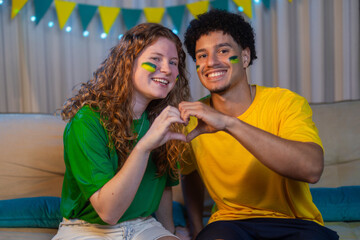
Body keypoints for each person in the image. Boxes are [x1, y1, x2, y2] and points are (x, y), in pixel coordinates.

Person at [178, 9, 339, 240]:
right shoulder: (193, 117)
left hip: (295, 224)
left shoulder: (285, 103)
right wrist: (195, 228)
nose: (211, 62)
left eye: (223, 51)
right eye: (201, 55)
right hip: (229, 224)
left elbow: (312, 169)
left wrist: (228, 124)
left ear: (244, 57)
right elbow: (189, 173)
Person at [52, 23, 191, 240]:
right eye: (156, 59)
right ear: (128, 63)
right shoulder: (88, 121)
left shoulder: (164, 119)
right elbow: (108, 212)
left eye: (173, 63)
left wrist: (170, 232)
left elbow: (163, 187)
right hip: (87, 229)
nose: (167, 69)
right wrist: (145, 145)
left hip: (145, 225)